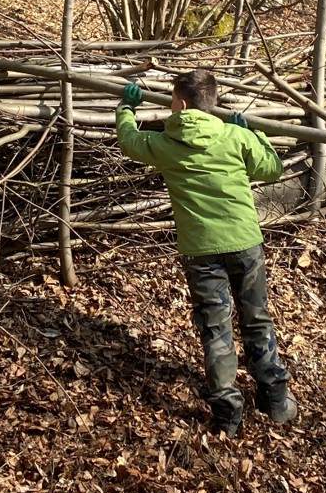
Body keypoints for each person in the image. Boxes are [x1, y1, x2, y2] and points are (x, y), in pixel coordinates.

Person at [115, 69, 298, 436]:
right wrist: (254, 134)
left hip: (201, 250)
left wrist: (125, 108)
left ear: (180, 103)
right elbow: (273, 168)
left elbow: (129, 141)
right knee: (256, 318)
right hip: (245, 242)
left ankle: (228, 413)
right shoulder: (233, 137)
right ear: (212, 103)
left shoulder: (165, 143)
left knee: (215, 327)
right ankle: (275, 399)